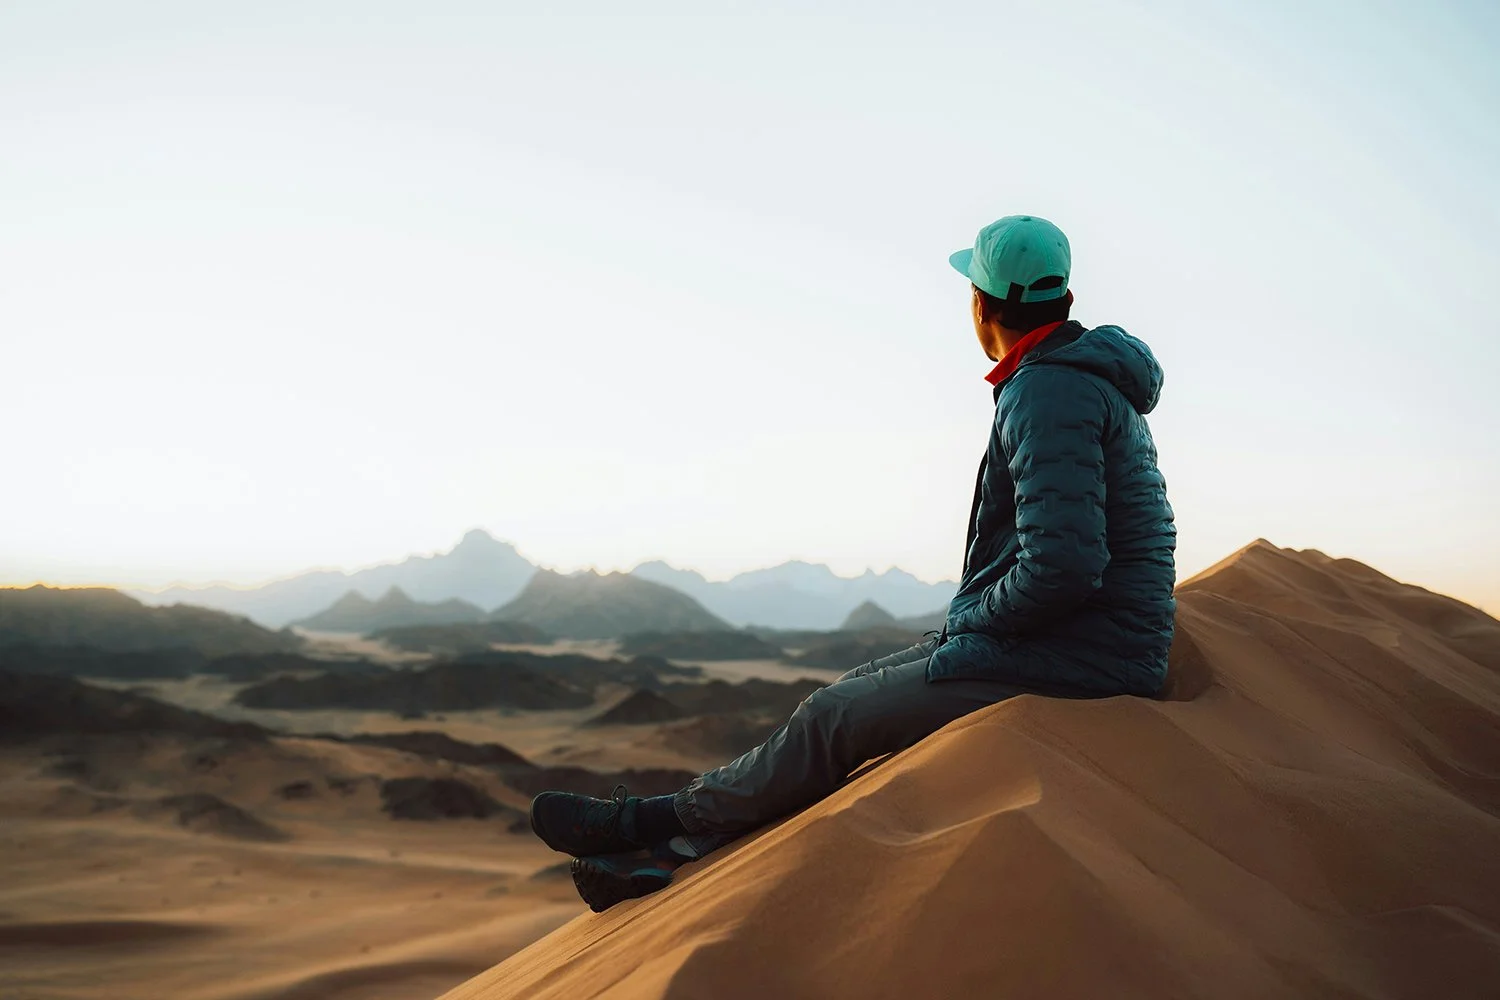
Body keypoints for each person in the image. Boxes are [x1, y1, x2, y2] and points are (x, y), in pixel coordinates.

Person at [529, 215, 1177, 911]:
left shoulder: (1046, 390)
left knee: (835, 717)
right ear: (1067, 303)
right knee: (850, 695)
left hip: (1082, 656)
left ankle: (647, 823)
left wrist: (979, 624)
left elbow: (1065, 565)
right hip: (1084, 642)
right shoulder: (1080, 380)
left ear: (981, 306)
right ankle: (674, 857)